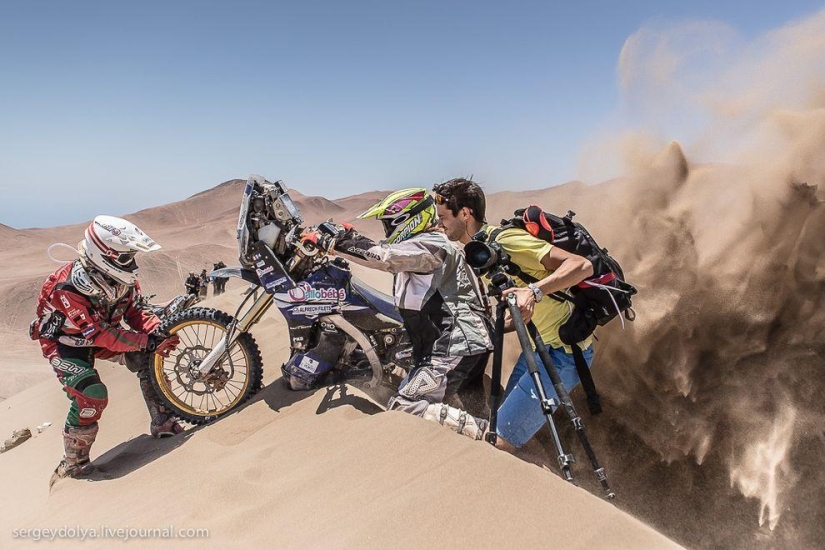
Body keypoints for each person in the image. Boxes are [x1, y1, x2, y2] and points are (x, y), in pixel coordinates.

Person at [433, 178, 595, 450]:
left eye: (443, 217)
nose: (440, 224)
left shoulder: (507, 240)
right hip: (534, 348)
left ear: (465, 213)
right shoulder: (477, 253)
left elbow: (582, 265)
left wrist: (534, 292)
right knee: (499, 425)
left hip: (562, 354)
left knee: (498, 442)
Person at [320, 188, 493, 440]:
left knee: (405, 405)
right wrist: (350, 237)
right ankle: (491, 444)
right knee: (464, 408)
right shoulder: (423, 245)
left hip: (454, 345)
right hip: (454, 345)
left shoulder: (433, 244)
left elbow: (384, 256)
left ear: (408, 220)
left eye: (389, 224)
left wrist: (336, 243)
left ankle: (489, 437)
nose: (387, 232)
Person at [32, 216, 183, 487]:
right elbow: (98, 333)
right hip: (65, 344)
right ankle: (73, 465)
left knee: (150, 354)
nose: (133, 264)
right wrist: (144, 341)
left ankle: (163, 421)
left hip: (102, 333)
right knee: (91, 396)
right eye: (126, 258)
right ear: (104, 255)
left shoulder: (120, 278)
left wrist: (158, 331)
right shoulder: (67, 288)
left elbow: (137, 312)